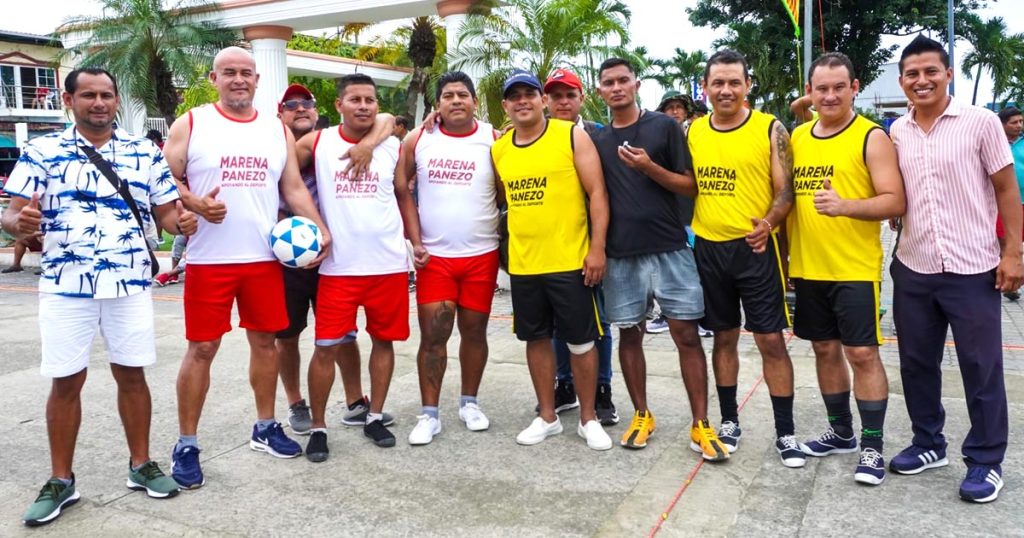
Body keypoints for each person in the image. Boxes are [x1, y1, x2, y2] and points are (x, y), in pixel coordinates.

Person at [2, 67, 197, 526]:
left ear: (116, 100)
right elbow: (12, 214)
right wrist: (19, 225)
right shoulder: (42, 150)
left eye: (107, 94)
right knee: (66, 381)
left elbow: (167, 215)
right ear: (68, 101)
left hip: (129, 283)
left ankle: (141, 466)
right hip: (66, 285)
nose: (99, 102)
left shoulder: (141, 152)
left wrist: (184, 223)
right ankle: (61, 481)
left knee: (133, 376)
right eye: (88, 95)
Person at [161, 47, 332, 487]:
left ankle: (265, 426)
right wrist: (191, 200)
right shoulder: (193, 122)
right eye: (229, 73)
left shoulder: (275, 128)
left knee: (265, 344)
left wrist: (319, 227)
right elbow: (159, 179)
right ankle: (187, 443)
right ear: (214, 78)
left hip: (263, 259)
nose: (239, 79)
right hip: (210, 261)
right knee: (202, 349)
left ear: (258, 81)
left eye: (246, 73)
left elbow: (292, 186)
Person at [888, 35, 1023, 503]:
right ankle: (928, 443)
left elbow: (1007, 190)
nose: (921, 81)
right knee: (917, 363)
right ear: (902, 81)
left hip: (973, 267)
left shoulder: (980, 123)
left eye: (931, 71)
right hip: (914, 264)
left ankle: (986, 461)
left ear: (948, 74)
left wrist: (1013, 253)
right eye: (912, 74)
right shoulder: (896, 131)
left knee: (981, 366)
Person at [590, 58, 724, 460]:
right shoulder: (597, 140)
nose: (616, 88)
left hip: (670, 248)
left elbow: (690, 186)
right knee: (630, 334)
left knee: (686, 335)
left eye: (623, 80)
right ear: (600, 91)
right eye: (608, 82)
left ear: (636, 84)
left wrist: (650, 167)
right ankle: (641, 414)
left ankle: (701, 422)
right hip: (621, 254)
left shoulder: (664, 127)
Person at [787, 52, 906, 485]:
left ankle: (872, 446)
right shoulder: (798, 137)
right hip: (808, 266)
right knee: (823, 350)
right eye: (822, 88)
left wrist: (845, 206)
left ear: (855, 88)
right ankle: (841, 433)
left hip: (855, 268)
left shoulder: (871, 137)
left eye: (839, 87)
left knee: (862, 353)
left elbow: (895, 200)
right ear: (810, 91)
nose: (831, 95)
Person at [688, 49, 804, 467]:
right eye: (717, 82)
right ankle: (729, 421)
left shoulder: (770, 128)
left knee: (770, 339)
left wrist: (769, 222)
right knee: (723, 337)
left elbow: (786, 190)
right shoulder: (693, 132)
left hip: (755, 247)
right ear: (705, 88)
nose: (726, 90)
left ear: (747, 86)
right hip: (708, 249)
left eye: (734, 82)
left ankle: (786, 432)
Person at [294, 73, 419, 459]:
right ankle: (318, 427)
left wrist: (415, 243)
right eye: (355, 99)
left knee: (384, 342)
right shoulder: (318, 142)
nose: (363, 106)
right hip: (338, 267)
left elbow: (402, 194)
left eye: (370, 100)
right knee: (326, 348)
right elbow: (280, 175)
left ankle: (375, 415)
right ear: (338, 106)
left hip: (388, 265)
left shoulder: (392, 145)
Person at [492, 69, 612, 450]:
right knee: (536, 340)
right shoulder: (500, 149)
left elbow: (597, 193)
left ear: (542, 100)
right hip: (526, 265)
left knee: (581, 342)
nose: (522, 100)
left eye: (530, 93)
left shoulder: (571, 134)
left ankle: (589, 419)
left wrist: (597, 249)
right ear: (505, 106)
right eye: (515, 96)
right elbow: (502, 199)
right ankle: (547, 417)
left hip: (570, 261)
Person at [273, 82, 395, 436]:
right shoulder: (283, 149)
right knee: (289, 335)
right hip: (294, 255)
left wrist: (367, 145)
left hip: (338, 258)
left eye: (306, 104)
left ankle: (356, 401)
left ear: (319, 109)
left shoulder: (331, 141)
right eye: (291, 104)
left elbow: (386, 117)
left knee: (343, 335)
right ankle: (298, 403)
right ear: (280, 114)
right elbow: (267, 185)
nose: (300, 109)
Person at [398, 71, 501, 445]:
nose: (455, 100)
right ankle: (429, 414)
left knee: (474, 332)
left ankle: (469, 403)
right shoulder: (419, 138)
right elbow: (401, 188)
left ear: (475, 101)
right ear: (437, 104)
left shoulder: (492, 139)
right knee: (434, 334)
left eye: (462, 94)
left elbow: (506, 193)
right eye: (447, 96)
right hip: (436, 257)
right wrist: (414, 239)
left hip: (482, 254)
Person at [541, 67, 618, 426]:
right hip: (553, 247)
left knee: (597, 320)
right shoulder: (531, 136)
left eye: (569, 95)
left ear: (582, 98)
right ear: (546, 101)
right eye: (556, 96)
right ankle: (565, 384)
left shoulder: (600, 136)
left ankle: (602, 387)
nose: (563, 101)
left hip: (592, 246)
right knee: (557, 322)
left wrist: (599, 246)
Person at [997, 106, 1024, 301]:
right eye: (1014, 122)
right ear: (1003, 124)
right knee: (1005, 241)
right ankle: (1007, 280)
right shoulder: (996, 143)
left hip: (1023, 200)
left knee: (1017, 242)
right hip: (1002, 202)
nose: (1019, 126)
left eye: (1021, 122)